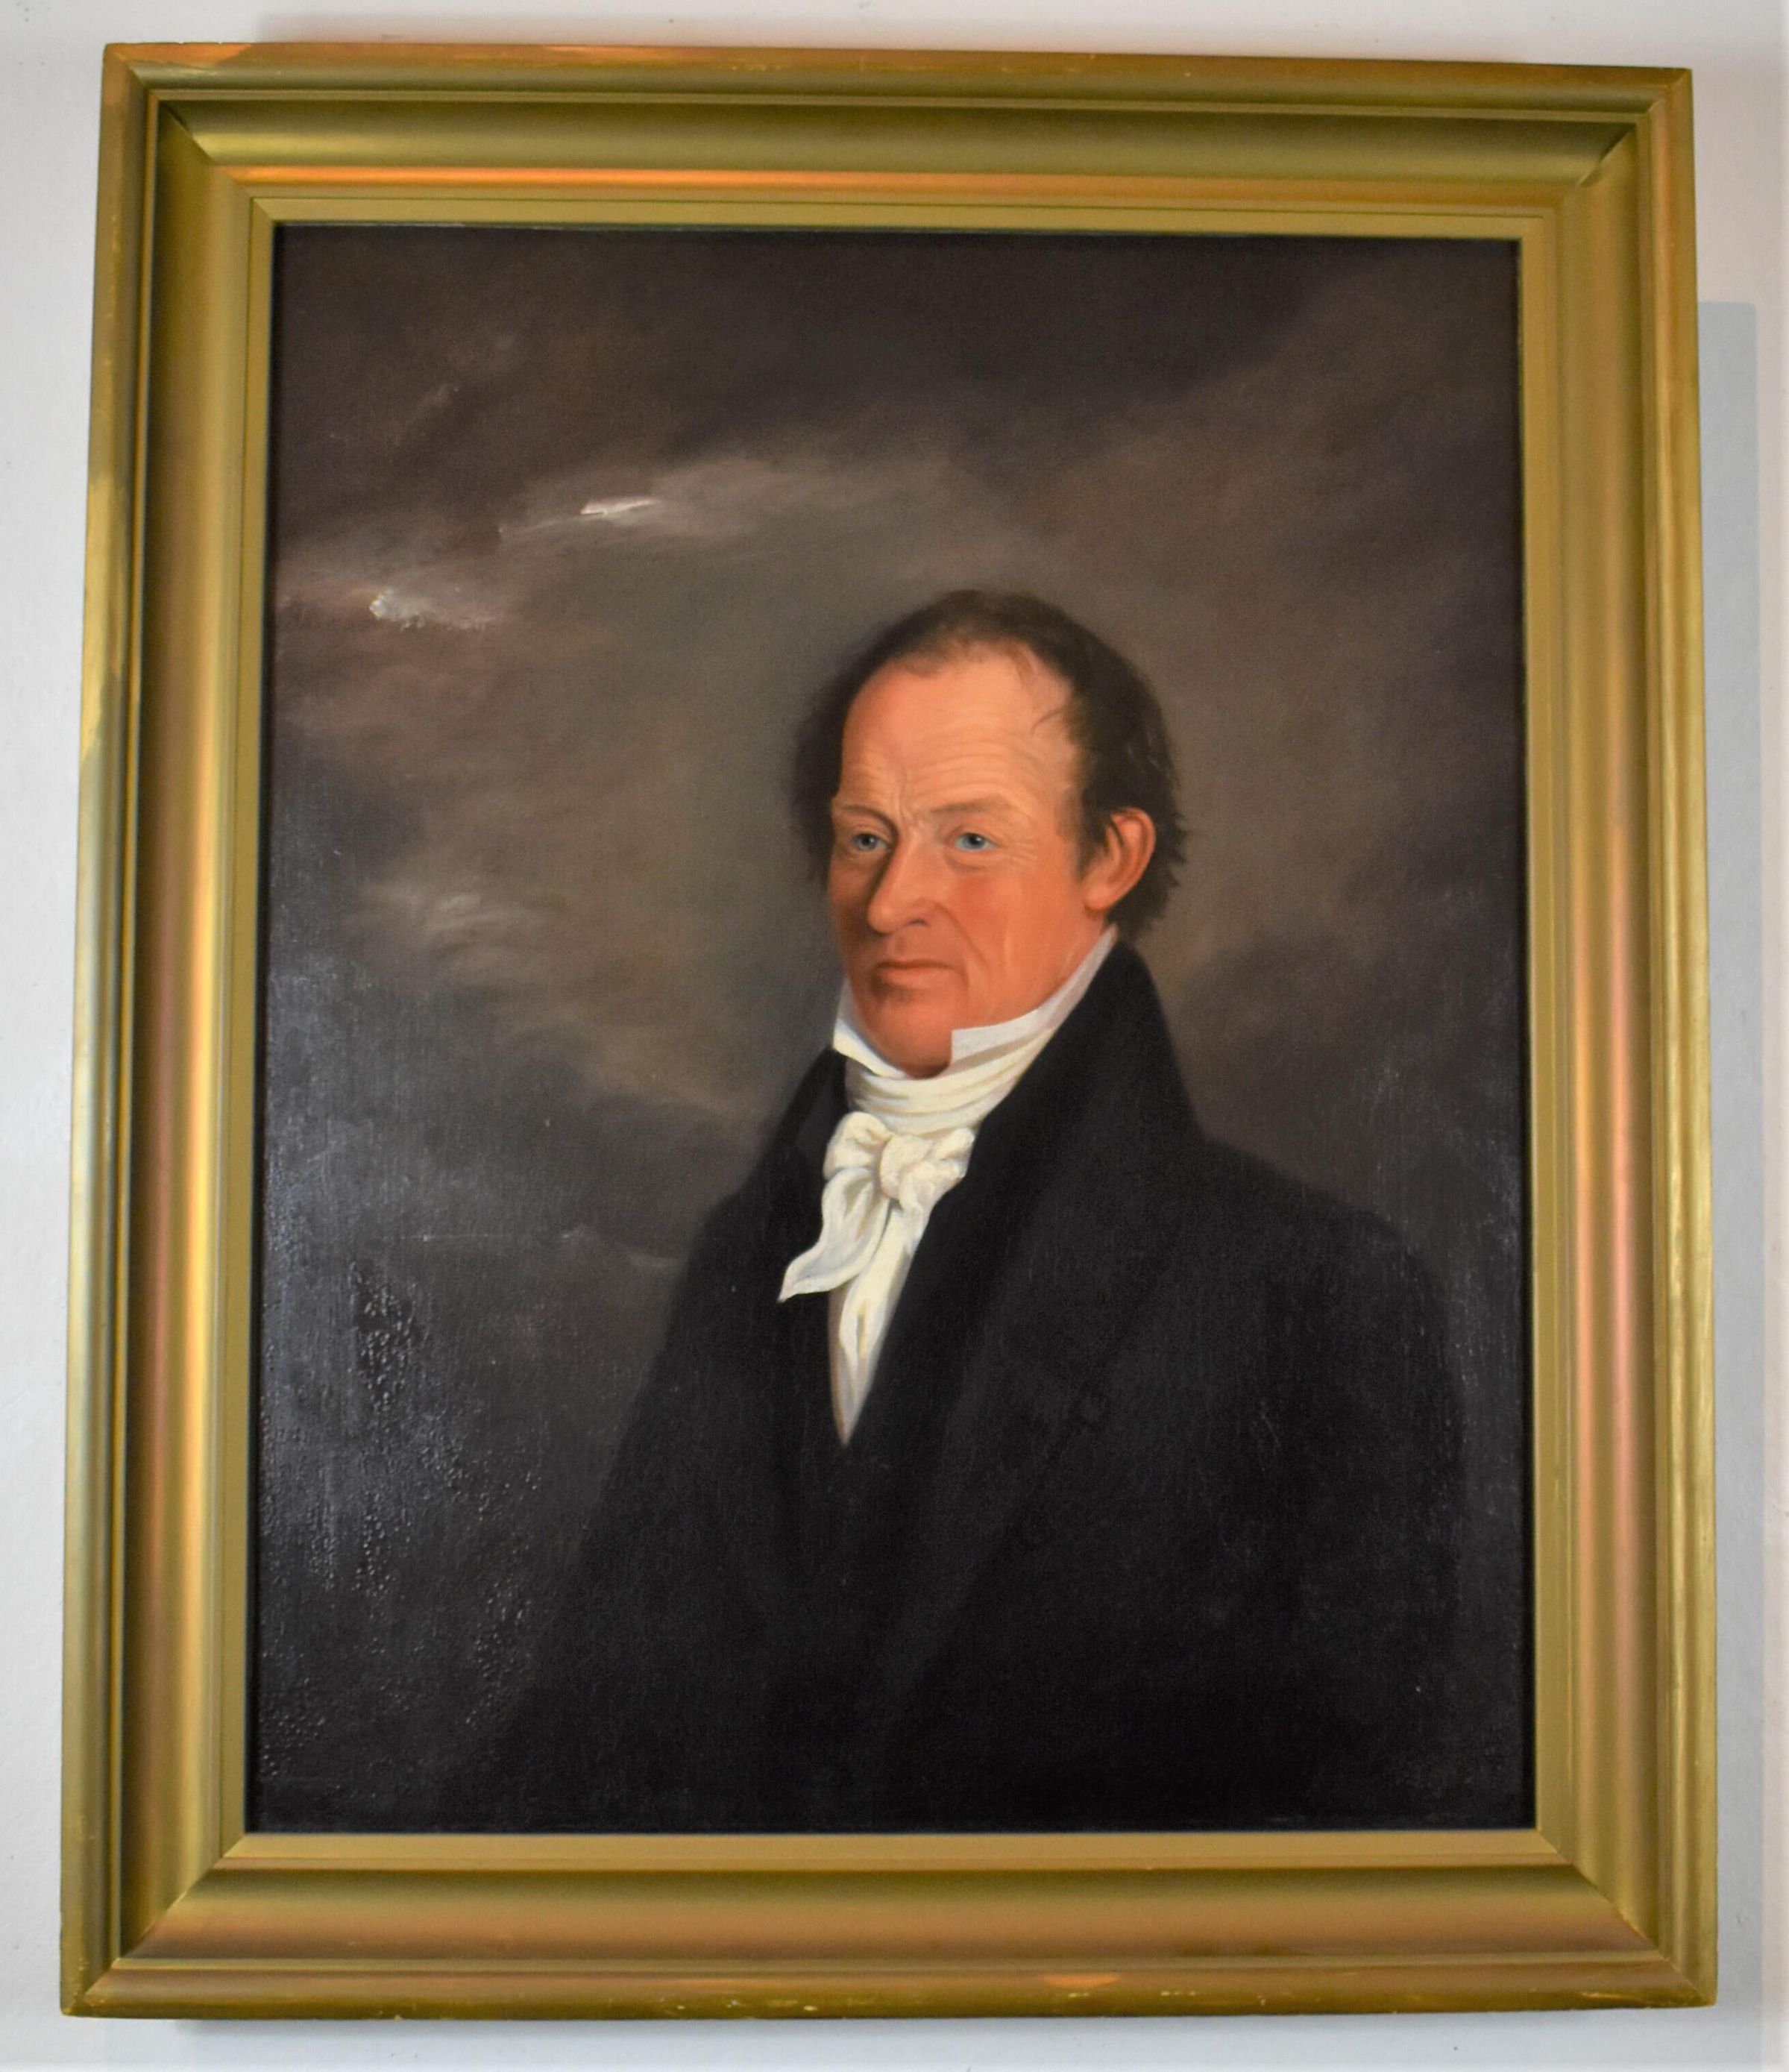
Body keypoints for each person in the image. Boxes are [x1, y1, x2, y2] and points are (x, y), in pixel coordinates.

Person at [447, 589, 1461, 1833]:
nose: (888, 904)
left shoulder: (1320, 1295)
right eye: (865, 838)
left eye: (969, 840)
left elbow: (1357, 1825)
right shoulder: (751, 1254)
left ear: (1110, 858)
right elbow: (596, 1729)